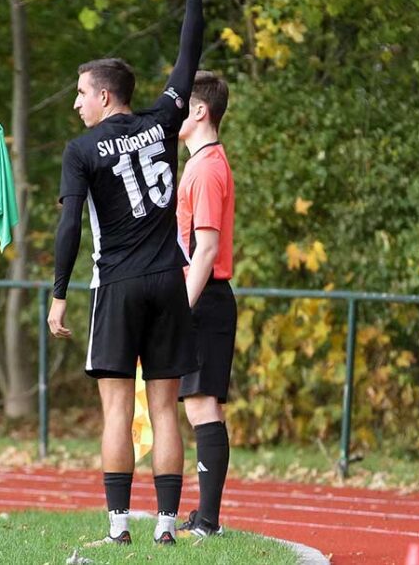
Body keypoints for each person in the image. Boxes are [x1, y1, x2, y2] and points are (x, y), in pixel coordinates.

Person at [48, 0, 208, 547]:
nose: (77, 102)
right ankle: (166, 527)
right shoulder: (164, 119)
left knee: (117, 410)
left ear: (105, 94)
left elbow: (69, 225)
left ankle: (119, 528)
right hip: (169, 278)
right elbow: (187, 63)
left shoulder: (82, 150)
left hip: (115, 282)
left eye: (82, 92)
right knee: (166, 409)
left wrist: (59, 295)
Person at [173, 70, 236, 540]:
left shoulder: (208, 167)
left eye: (180, 103)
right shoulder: (197, 164)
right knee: (197, 405)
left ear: (199, 111)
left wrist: (182, 307)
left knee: (202, 405)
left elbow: (207, 250)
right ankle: (205, 516)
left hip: (205, 297)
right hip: (199, 295)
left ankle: (209, 522)